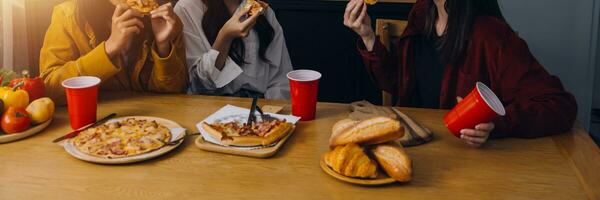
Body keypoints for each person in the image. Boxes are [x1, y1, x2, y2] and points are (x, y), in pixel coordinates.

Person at [344, 0, 577, 147]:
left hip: (471, 162)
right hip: (420, 148)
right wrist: (368, 36)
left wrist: (497, 124)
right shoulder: (422, 13)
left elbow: (559, 106)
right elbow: (398, 83)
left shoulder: (491, 35)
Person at [40, 0, 188, 105]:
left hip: (153, 125)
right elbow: (50, 90)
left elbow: (177, 93)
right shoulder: (67, 16)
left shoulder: (167, 18)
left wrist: (163, 47)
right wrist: (109, 48)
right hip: (95, 127)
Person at [174, 0, 292, 99]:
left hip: (260, 109)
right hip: (209, 108)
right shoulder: (187, 8)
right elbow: (198, 86)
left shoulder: (263, 11)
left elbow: (280, 80)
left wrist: (268, 116)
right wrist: (225, 37)